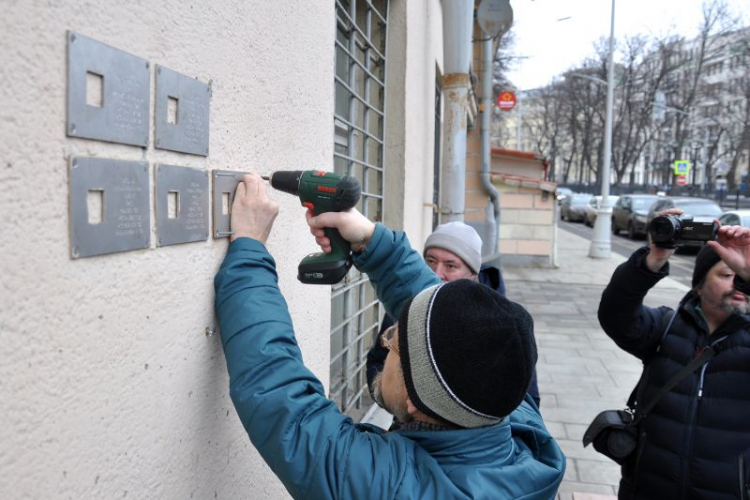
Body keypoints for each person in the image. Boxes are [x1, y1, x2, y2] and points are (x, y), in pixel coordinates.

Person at [214, 174, 565, 499]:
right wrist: (373, 242)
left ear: (416, 399)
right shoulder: (512, 421)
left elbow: (278, 394)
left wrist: (248, 248)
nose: (385, 340)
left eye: (396, 343)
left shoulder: (391, 486)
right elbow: (439, 311)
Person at [598, 212, 750, 499]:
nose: (736, 286)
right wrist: (653, 257)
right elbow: (615, 314)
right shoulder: (666, 328)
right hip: (648, 489)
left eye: (739, 278)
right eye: (726, 275)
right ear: (699, 284)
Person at [365, 221, 541, 408]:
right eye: (430, 261)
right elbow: (377, 363)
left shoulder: (504, 326)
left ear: (472, 274)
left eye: (450, 266)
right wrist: (398, 404)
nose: (437, 272)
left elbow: (529, 401)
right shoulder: (409, 307)